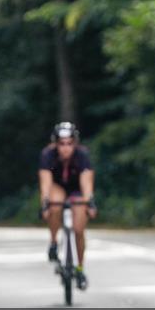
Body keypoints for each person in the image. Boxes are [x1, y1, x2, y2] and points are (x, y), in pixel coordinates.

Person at [39, 121, 96, 289]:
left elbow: (86, 182)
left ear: (75, 143)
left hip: (76, 189)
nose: (65, 148)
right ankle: (54, 242)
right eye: (61, 144)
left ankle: (79, 268)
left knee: (79, 229)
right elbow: (45, 182)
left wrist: (90, 202)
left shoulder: (82, 155)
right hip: (57, 187)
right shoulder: (47, 155)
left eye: (69, 144)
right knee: (55, 205)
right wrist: (45, 203)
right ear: (56, 144)